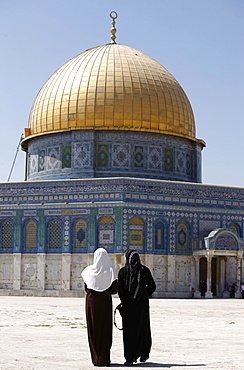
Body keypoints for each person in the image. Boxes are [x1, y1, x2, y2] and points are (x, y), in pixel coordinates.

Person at [118, 249, 156, 366]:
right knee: (142, 328)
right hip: (142, 306)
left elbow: (121, 290)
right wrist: (144, 294)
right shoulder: (145, 270)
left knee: (129, 331)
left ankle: (130, 358)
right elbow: (152, 286)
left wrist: (125, 300)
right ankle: (143, 354)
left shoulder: (123, 272)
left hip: (129, 306)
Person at [81, 248, 118, 367]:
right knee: (105, 329)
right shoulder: (110, 271)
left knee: (94, 329)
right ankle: (104, 359)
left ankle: (96, 359)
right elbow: (114, 289)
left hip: (91, 303)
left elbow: (86, 288)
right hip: (105, 303)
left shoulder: (88, 271)